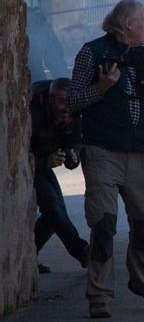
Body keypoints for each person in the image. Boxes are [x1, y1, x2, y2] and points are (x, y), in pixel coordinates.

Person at [67, 0, 144, 319]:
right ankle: (99, 295)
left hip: (138, 154)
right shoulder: (91, 53)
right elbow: (72, 101)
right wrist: (102, 87)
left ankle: (143, 282)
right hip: (101, 152)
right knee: (104, 223)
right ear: (127, 24)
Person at [30, 78, 89, 273]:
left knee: (54, 213)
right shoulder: (32, 111)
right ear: (51, 99)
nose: (67, 109)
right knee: (54, 207)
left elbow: (74, 142)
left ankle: (29, 255)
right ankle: (82, 252)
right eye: (63, 104)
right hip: (30, 162)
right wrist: (44, 162)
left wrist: (72, 155)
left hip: (44, 162)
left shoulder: (74, 112)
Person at [27, 6, 69, 81]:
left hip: (36, 83)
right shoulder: (34, 18)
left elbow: (55, 59)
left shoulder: (35, 19)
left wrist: (66, 85)